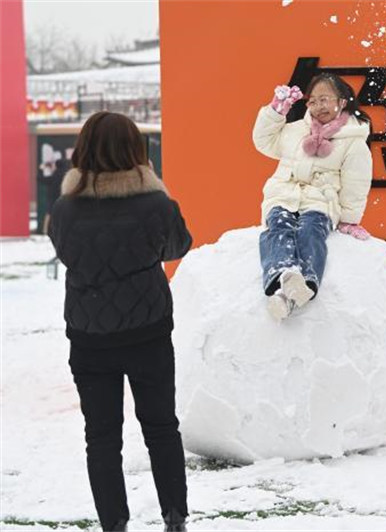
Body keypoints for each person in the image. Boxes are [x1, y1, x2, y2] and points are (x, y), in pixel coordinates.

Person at [47, 112, 192, 531]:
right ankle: (175, 517)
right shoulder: (155, 203)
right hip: (148, 332)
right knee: (162, 427)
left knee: (102, 437)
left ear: (84, 149)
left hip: (89, 337)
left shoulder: (65, 208)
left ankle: (113, 523)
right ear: (135, 150)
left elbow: (65, 253)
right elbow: (178, 245)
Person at [252, 73, 373, 320]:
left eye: (325, 99)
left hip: (320, 201)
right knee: (278, 226)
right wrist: (276, 111)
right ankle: (284, 275)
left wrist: (349, 219)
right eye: (313, 101)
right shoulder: (296, 130)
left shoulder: (354, 141)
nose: (319, 106)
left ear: (343, 101)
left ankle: (304, 284)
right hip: (284, 194)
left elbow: (356, 182)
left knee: (310, 231)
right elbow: (263, 141)